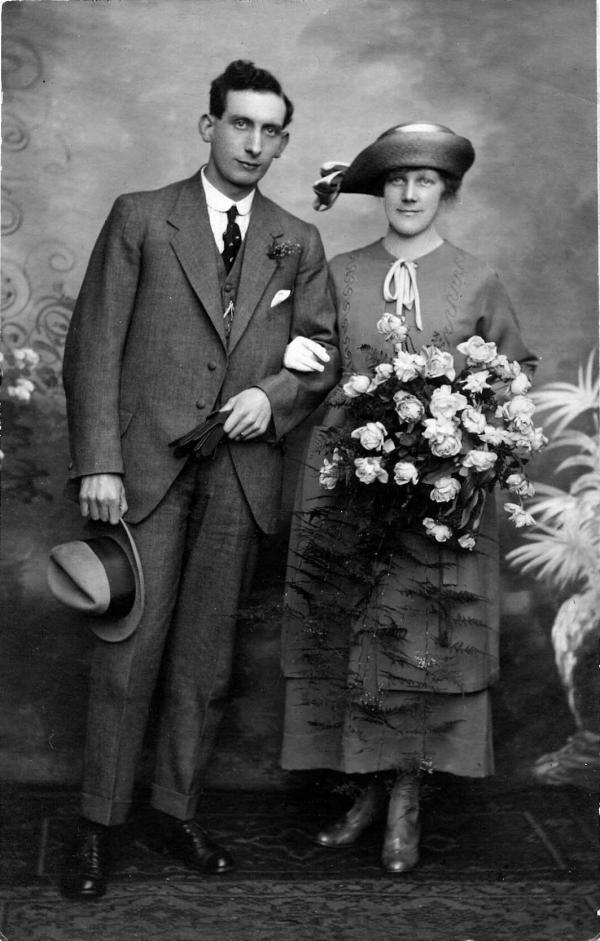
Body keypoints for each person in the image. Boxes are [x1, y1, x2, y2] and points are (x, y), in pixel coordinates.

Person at [60, 59, 340, 900]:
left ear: (283, 141)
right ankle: (98, 825)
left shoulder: (299, 238)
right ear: (207, 126)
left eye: (270, 130)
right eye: (240, 124)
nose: (255, 142)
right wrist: (100, 462)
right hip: (142, 473)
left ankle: (174, 810)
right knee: (128, 655)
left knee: (206, 661)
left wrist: (274, 394)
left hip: (242, 477)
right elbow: (92, 346)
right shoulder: (142, 219)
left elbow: (319, 353)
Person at [280, 122, 538, 873]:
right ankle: (362, 786)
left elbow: (512, 372)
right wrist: (288, 373)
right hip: (352, 488)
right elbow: (314, 365)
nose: (410, 191)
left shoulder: (476, 277)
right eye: (396, 180)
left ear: (445, 192)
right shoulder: (345, 271)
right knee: (357, 632)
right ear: (379, 190)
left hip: (440, 499)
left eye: (425, 180)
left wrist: (473, 429)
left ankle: (407, 797)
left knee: (423, 637)